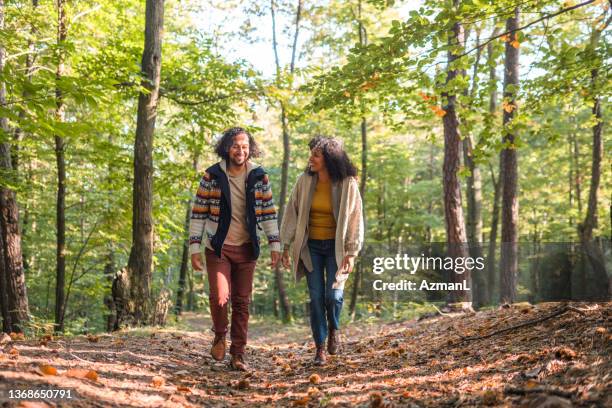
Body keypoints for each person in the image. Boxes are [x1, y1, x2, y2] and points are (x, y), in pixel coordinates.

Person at [189, 127, 281, 371]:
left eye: (244, 146)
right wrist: (194, 248)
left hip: (247, 247)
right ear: (227, 148)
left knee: (241, 302)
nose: (240, 151)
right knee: (220, 297)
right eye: (235, 146)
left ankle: (238, 354)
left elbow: (269, 212)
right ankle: (220, 335)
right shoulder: (212, 176)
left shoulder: (259, 176)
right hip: (218, 247)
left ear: (250, 149)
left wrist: (275, 244)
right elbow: (198, 213)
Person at [280, 136, 364, 365]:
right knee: (316, 297)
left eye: (316, 155)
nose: (311, 158)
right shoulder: (304, 181)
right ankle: (320, 348)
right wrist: (284, 246)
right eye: (312, 154)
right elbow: (291, 212)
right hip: (312, 248)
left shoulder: (347, 183)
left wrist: (352, 252)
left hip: (336, 249)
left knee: (333, 295)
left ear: (329, 158)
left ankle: (334, 329)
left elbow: (356, 219)